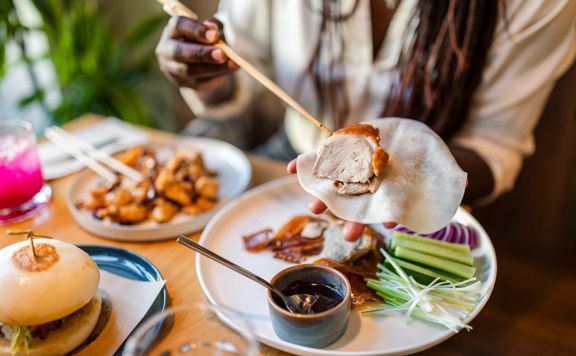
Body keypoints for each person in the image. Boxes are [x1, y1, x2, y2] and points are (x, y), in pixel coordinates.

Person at [156, 0, 576, 240]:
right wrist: (205, 74)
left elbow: (494, 147)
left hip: (438, 193)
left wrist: (411, 179)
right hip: (296, 156)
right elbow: (242, 68)